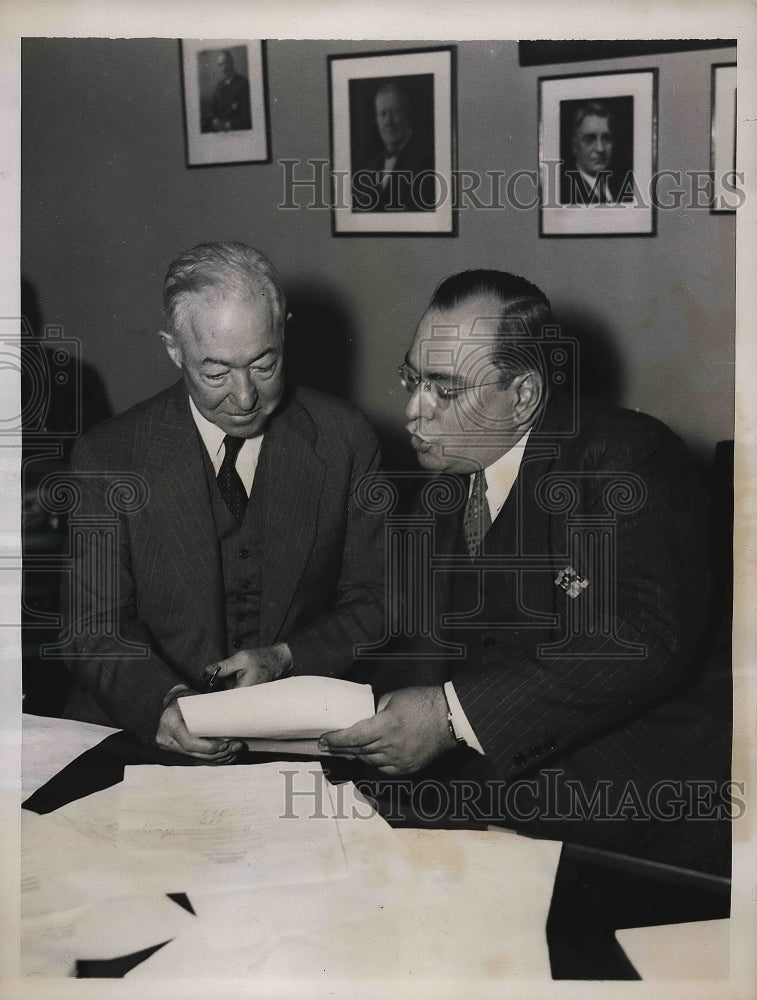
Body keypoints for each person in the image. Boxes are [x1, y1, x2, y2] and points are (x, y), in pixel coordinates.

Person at [320, 269, 731, 873]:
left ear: (524, 396)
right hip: (504, 801)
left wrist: (448, 717)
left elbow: (640, 638)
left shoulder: (626, 458)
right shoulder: (444, 487)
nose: (413, 410)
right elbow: (405, 639)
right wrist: (295, 681)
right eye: (412, 378)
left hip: (644, 816)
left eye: (445, 389)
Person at [62, 242, 385, 762]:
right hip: (135, 734)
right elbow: (92, 628)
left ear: (284, 331)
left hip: (292, 736)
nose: (244, 397)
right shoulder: (109, 455)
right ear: (174, 351)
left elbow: (378, 600)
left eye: (264, 364)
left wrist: (285, 658)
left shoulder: (344, 440)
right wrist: (163, 705)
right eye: (216, 373)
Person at [352, 80, 435, 213]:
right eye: (383, 114)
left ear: (408, 114)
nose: (388, 121)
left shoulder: (427, 164)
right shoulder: (370, 167)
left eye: (395, 112)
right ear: (377, 119)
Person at [560, 101, 632, 205]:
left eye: (606, 139)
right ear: (574, 146)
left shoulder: (625, 186)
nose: (600, 149)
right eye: (590, 139)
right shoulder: (564, 193)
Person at [209, 49, 251, 132]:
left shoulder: (243, 83)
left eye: (226, 62)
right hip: (220, 132)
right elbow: (213, 110)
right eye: (220, 65)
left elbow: (247, 115)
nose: (224, 67)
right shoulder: (219, 86)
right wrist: (215, 120)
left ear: (232, 62)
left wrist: (228, 125)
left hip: (238, 131)